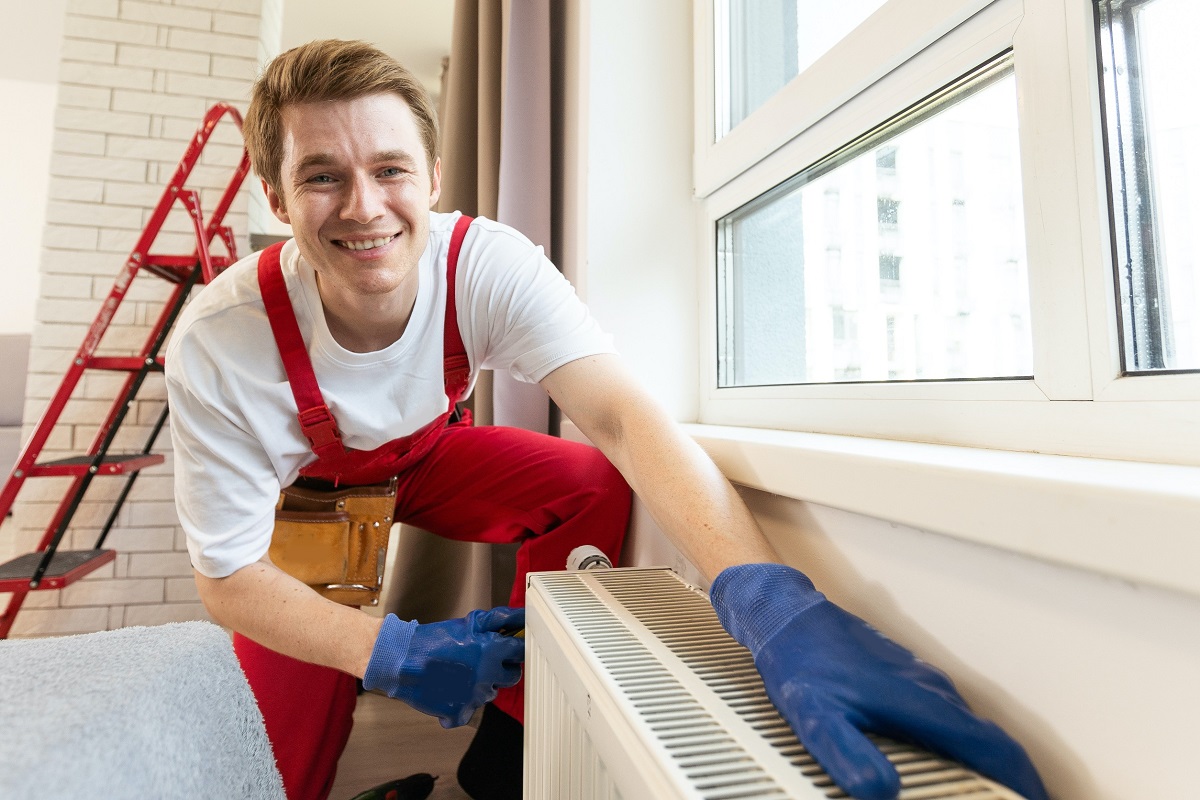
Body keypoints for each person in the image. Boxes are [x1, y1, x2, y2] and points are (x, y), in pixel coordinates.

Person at [165, 39, 1049, 800]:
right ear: (277, 200)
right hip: (304, 506)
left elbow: (623, 419)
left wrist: (771, 600)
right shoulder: (221, 341)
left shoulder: (486, 266)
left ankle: (512, 732)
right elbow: (227, 576)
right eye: (322, 178)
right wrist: (388, 651)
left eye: (389, 169)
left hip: (425, 460)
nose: (362, 206)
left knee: (585, 478)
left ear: (432, 177)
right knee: (273, 772)